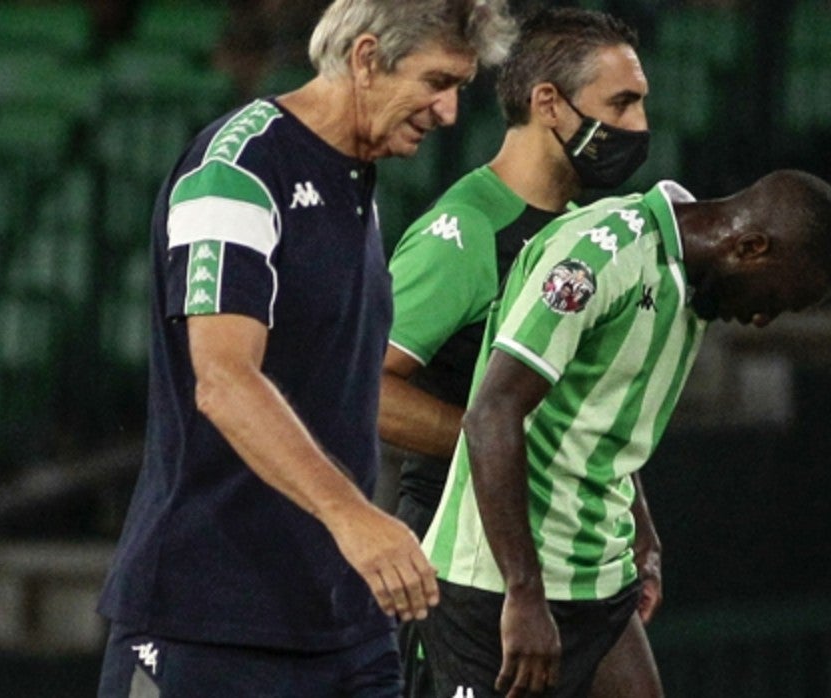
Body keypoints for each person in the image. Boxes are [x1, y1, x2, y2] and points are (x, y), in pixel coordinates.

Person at [94, 1, 516, 696]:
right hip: (203, 620)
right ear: (367, 59)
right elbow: (224, 381)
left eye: (459, 90)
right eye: (437, 82)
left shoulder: (356, 180)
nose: (447, 113)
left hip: (343, 620)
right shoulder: (237, 166)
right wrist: (354, 516)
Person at [419, 169, 831, 697]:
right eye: (776, 299)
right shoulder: (600, 255)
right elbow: (491, 415)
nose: (763, 319)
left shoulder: (693, 285)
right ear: (751, 246)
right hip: (496, 582)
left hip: (597, 578)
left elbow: (597, 419)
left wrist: (639, 523)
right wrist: (524, 593)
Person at [377, 9, 662, 695]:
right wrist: (492, 442)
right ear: (547, 104)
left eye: (642, 102)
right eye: (621, 103)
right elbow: (363, 386)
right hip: (462, 549)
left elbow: (570, 405)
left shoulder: (580, 235)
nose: (640, 125)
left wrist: (639, 524)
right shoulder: (468, 231)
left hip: (565, 544)